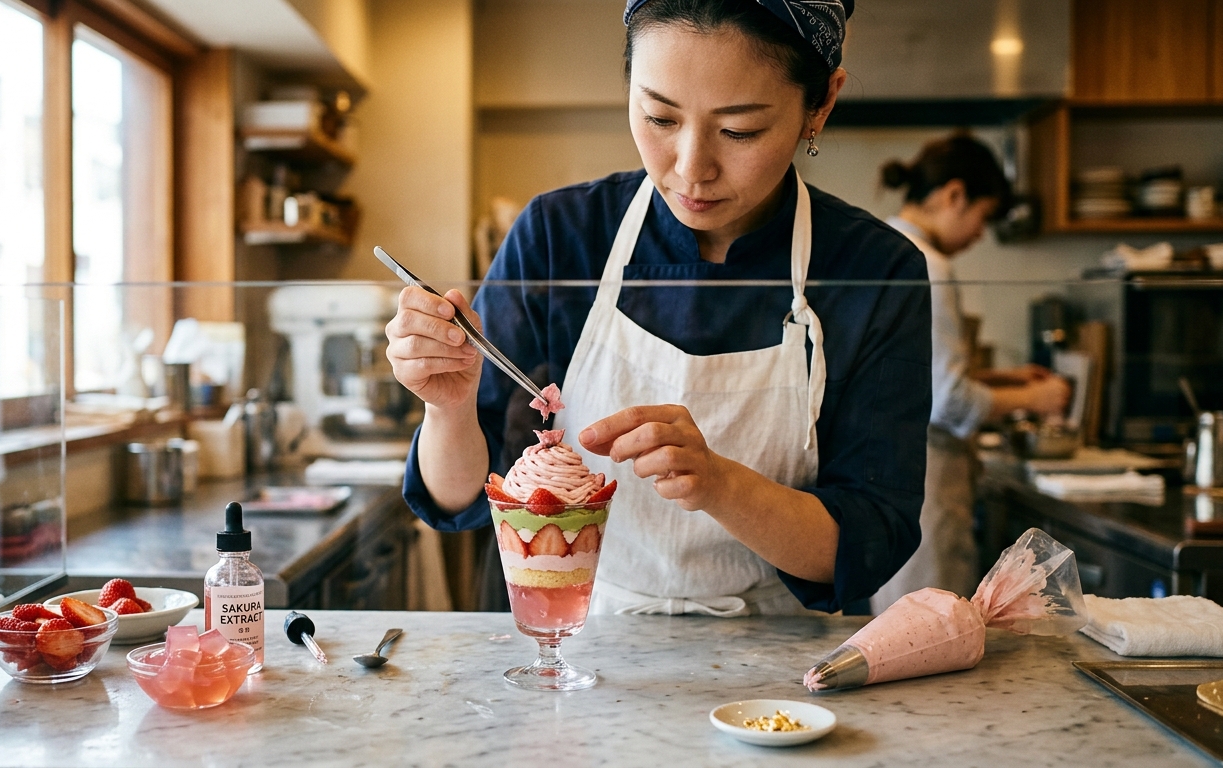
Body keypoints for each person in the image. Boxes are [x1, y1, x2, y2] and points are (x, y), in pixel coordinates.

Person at [388, 0, 932, 616]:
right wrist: (449, 407)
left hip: (784, 654)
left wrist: (720, 484)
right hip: (579, 633)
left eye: (740, 130)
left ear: (822, 103)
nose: (692, 168)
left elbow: (868, 543)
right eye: (659, 117)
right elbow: (458, 499)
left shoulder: (873, 269)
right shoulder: (561, 236)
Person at [869, 134, 1071, 613]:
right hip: (928, 478)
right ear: (955, 195)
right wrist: (1036, 398)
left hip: (888, 472)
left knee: (901, 622)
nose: (981, 234)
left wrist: (1003, 379)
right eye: (984, 215)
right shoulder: (929, 265)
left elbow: (911, 373)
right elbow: (948, 400)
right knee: (934, 623)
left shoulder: (881, 246)